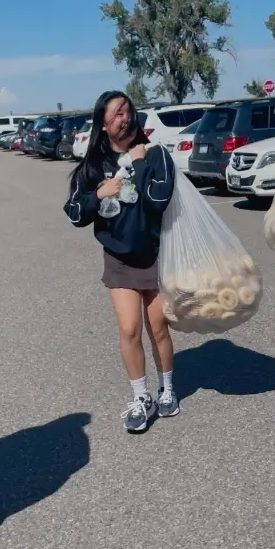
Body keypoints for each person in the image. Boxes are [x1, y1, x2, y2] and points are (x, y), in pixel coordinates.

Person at [63, 91, 177, 432]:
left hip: (156, 255)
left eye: (128, 111)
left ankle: (167, 389)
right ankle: (141, 396)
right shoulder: (94, 166)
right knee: (129, 329)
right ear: (103, 124)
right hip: (118, 258)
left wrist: (140, 162)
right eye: (116, 114)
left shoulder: (157, 155)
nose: (124, 118)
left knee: (159, 328)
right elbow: (74, 213)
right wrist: (100, 193)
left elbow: (157, 201)